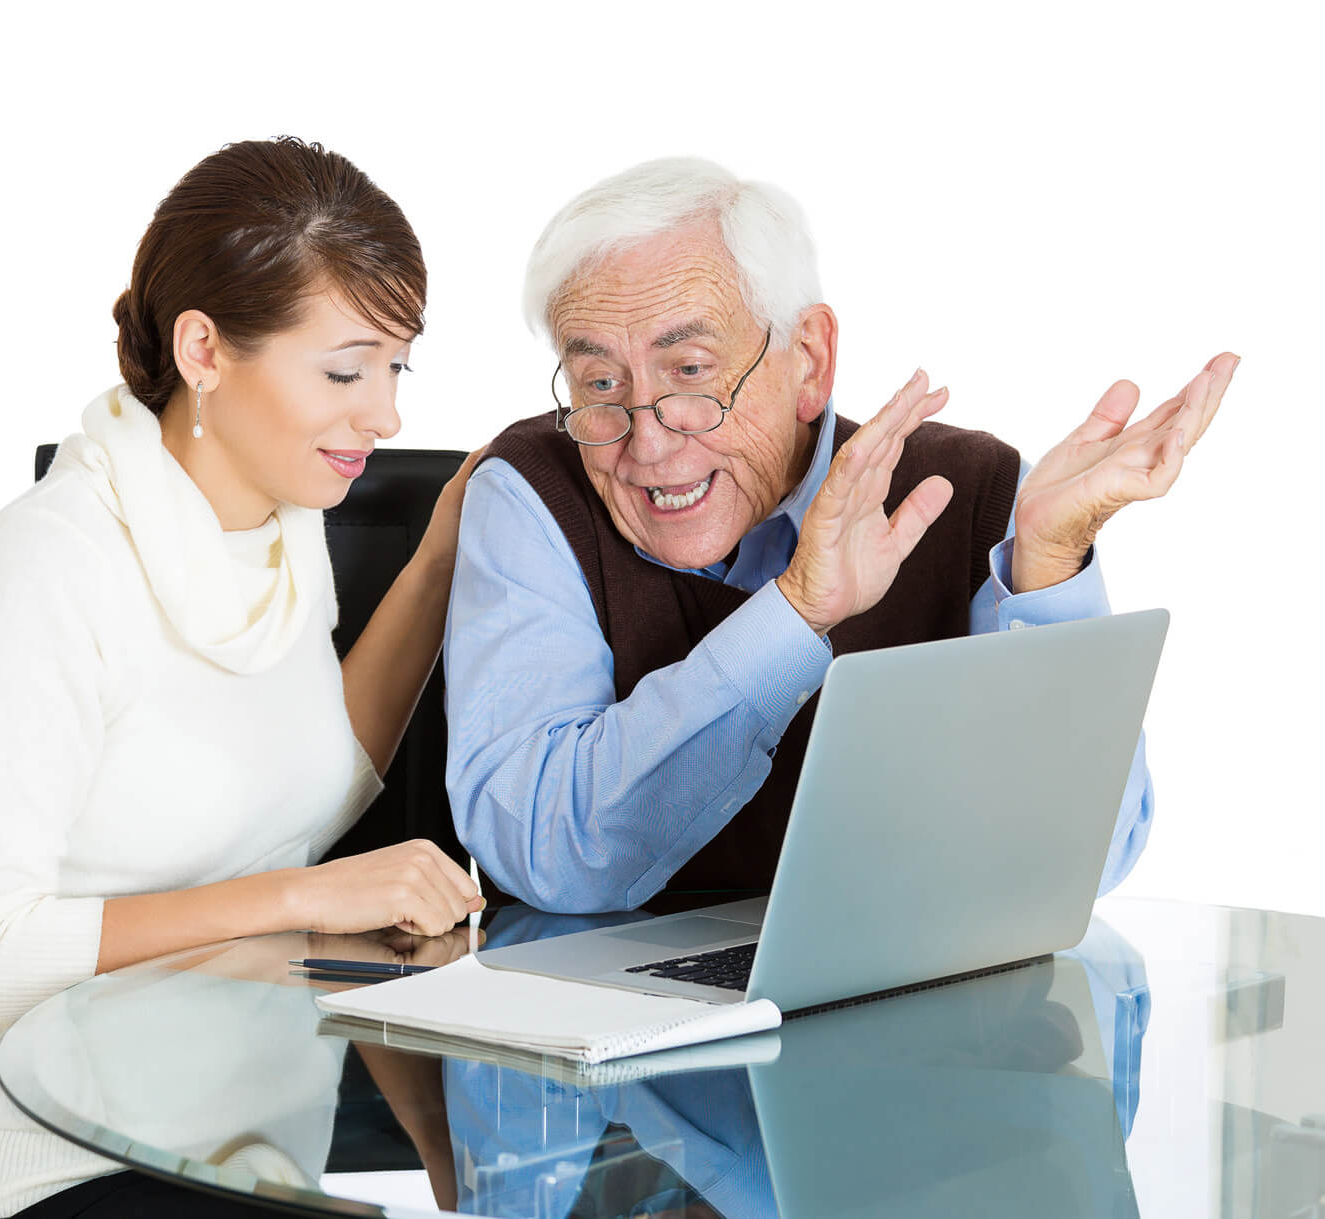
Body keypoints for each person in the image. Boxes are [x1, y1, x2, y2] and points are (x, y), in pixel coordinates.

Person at [0, 137, 482, 1219]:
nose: (387, 416)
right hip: (71, 1170)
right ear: (204, 350)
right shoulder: (51, 564)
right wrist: (303, 897)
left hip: (252, 1161)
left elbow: (309, 776)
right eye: (343, 369)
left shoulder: (281, 524)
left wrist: (439, 561)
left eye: (394, 367)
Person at [444, 157, 1236, 913]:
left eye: (689, 371)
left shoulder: (970, 498)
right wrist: (793, 615)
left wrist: (1048, 570)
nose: (647, 442)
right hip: (593, 1019)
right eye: (602, 385)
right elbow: (542, 844)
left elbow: (1076, 864)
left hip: (905, 1022)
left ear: (811, 359)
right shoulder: (533, 490)